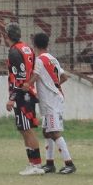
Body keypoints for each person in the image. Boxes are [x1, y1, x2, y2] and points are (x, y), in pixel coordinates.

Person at [23, 33, 75, 174]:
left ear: (34, 45)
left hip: (51, 102)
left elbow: (35, 76)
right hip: (53, 99)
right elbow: (64, 77)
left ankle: (69, 164)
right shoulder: (52, 58)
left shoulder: (39, 60)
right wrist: (54, 87)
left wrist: (27, 85)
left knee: (54, 132)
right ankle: (50, 163)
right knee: (46, 132)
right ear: (47, 44)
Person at [3, 24, 44, 175]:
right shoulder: (27, 48)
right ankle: (32, 163)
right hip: (27, 92)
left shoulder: (14, 51)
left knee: (27, 130)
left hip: (22, 95)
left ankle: (36, 165)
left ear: (7, 36)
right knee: (24, 129)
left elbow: (19, 78)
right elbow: (31, 70)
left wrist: (12, 98)